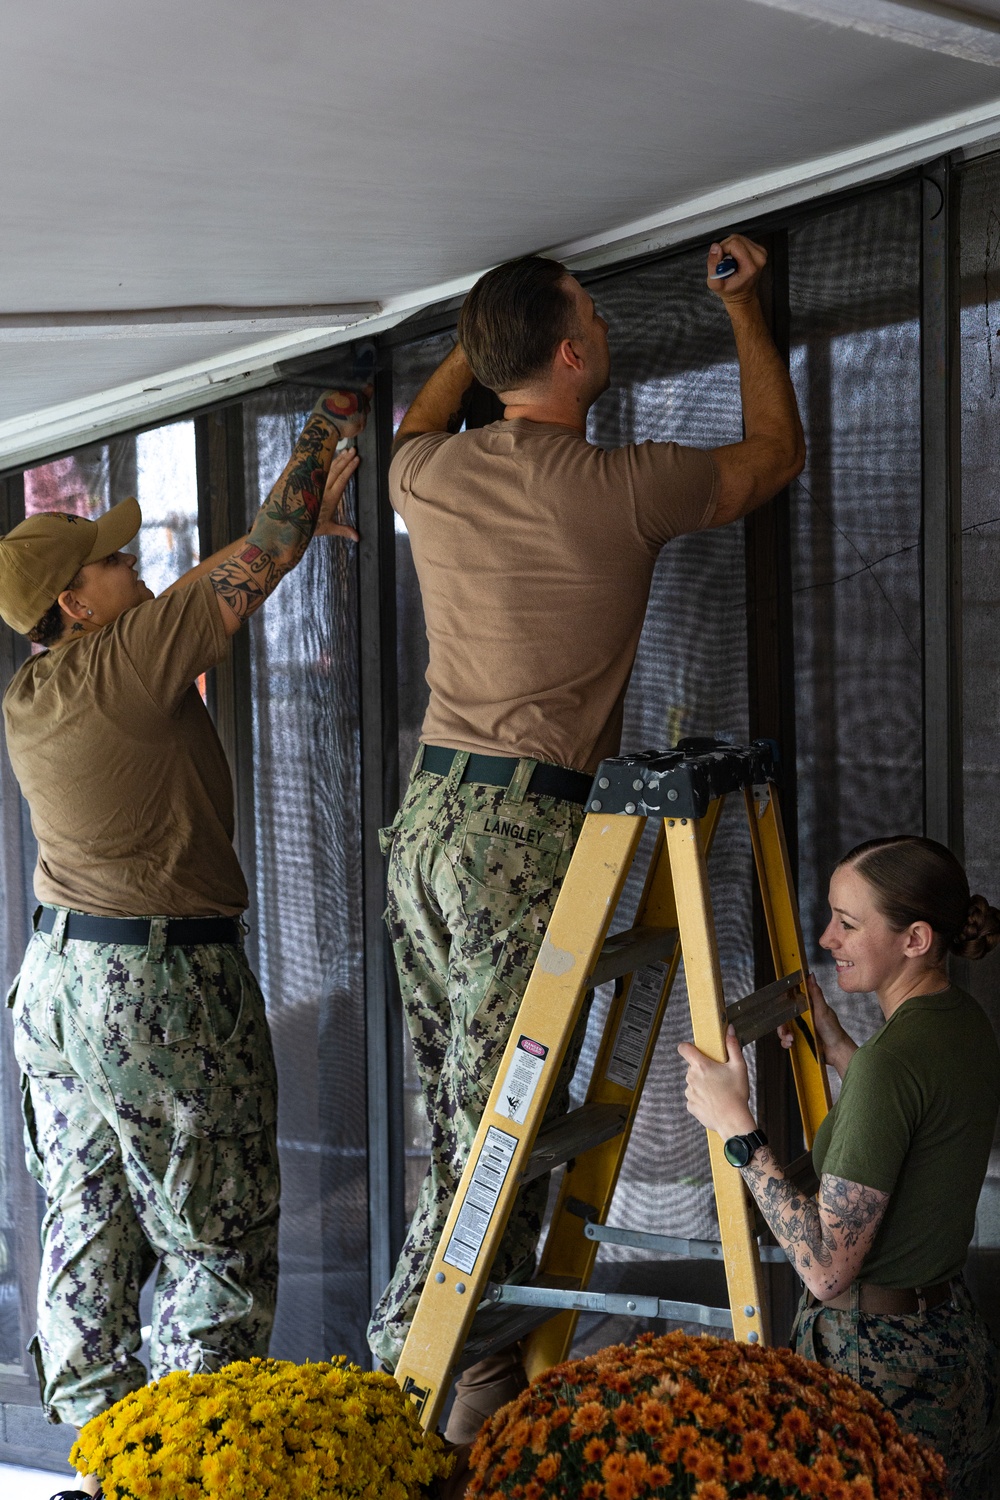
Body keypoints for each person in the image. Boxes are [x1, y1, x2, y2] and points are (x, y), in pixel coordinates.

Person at [369, 235, 806, 1441]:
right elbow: (777, 455)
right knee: (490, 1125)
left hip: (427, 821)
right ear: (572, 354)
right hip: (518, 828)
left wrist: (474, 345)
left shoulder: (430, 480)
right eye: (595, 323)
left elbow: (418, 422)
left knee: (458, 1114)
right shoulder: (618, 484)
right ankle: (400, 1391)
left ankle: (473, 1380)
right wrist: (746, 311)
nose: (607, 335)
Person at [0, 389, 366, 1499]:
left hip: (59, 981)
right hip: (155, 984)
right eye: (113, 561)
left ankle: (109, 1461)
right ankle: (205, 1467)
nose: (134, 564)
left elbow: (237, 570)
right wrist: (327, 432)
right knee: (215, 1227)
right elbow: (260, 552)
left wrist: (283, 537)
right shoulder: (123, 661)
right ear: (75, 599)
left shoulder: (37, 689)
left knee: (88, 1218)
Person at [679, 834, 1000, 1497]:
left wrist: (735, 1124)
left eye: (848, 924)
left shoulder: (893, 1063)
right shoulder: (961, 1023)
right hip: (950, 1347)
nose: (826, 939)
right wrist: (835, 1047)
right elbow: (915, 1120)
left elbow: (826, 1271)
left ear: (913, 939)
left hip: (879, 1375)